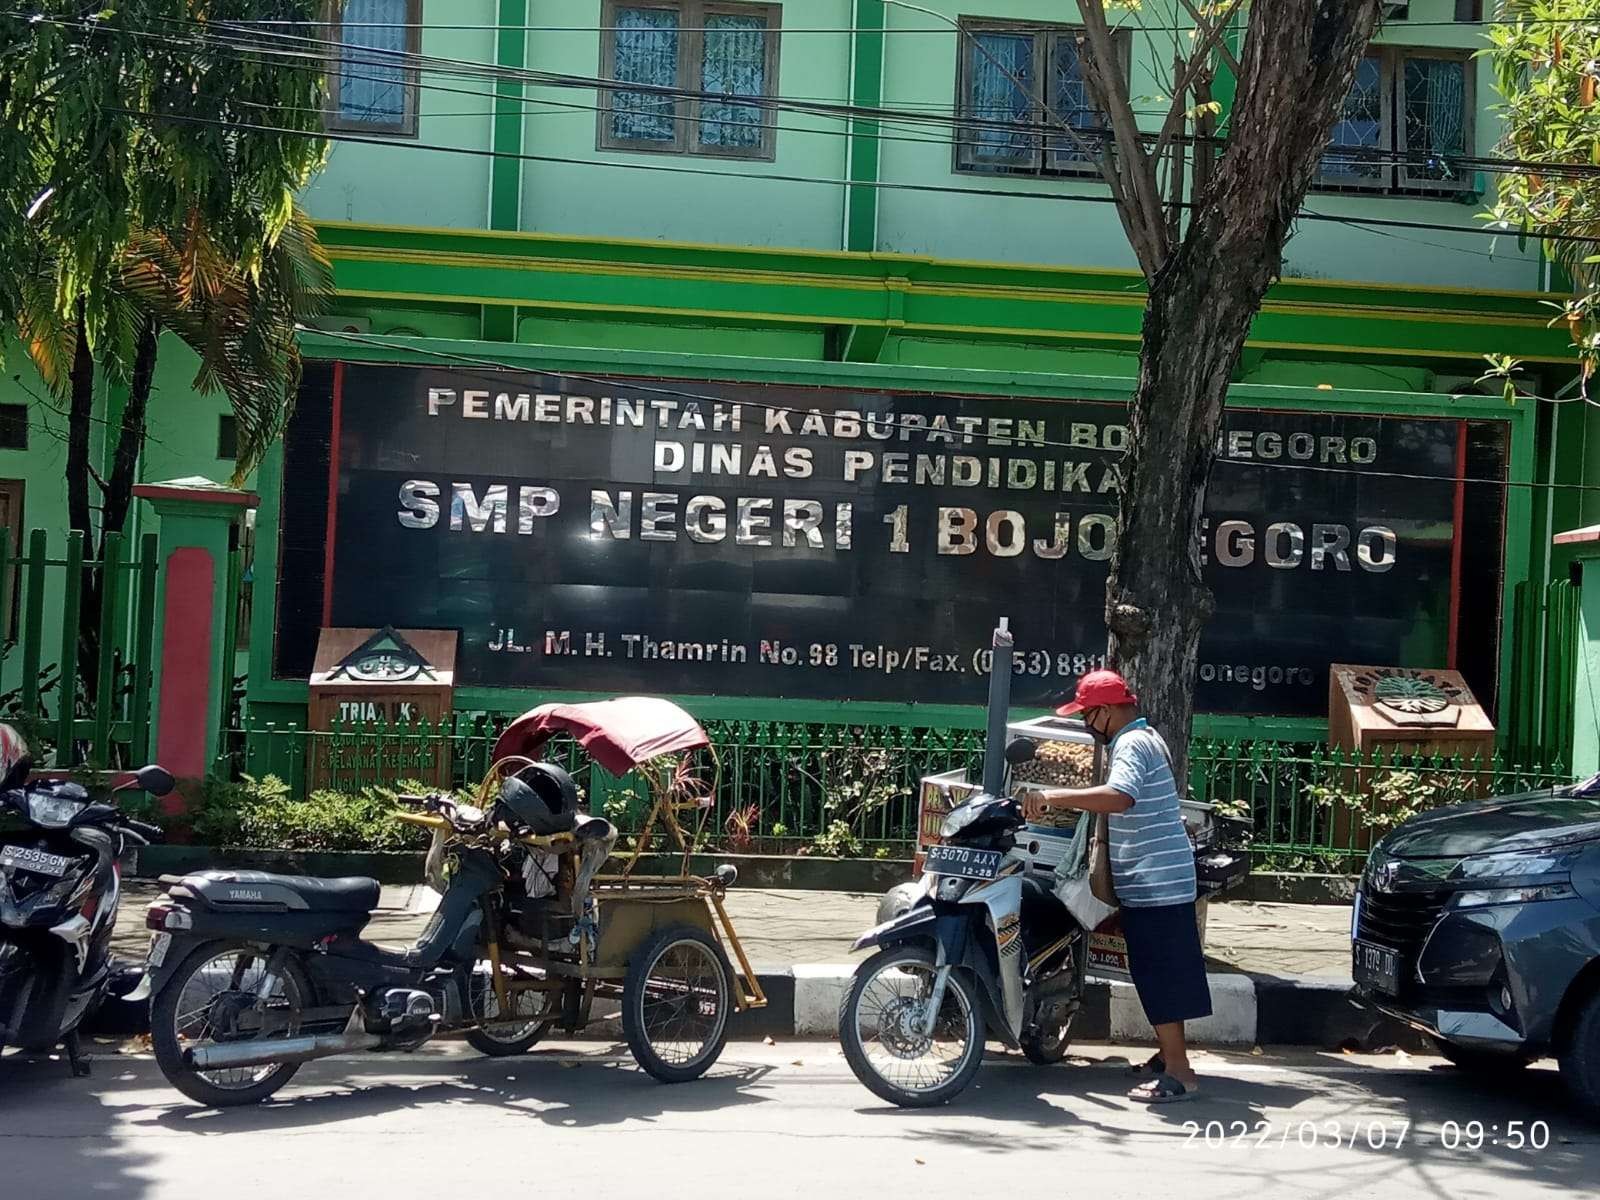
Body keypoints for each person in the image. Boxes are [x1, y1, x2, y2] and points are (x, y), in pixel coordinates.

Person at [1024, 668, 1210, 1103]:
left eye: (1088, 715)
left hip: (1156, 881)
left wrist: (1054, 797)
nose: (1086, 724)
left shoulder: (1130, 743)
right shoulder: (1148, 738)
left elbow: (1120, 796)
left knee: (1159, 975)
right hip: (1159, 876)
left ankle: (1180, 1073)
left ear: (1106, 711)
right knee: (1161, 972)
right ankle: (1169, 1056)